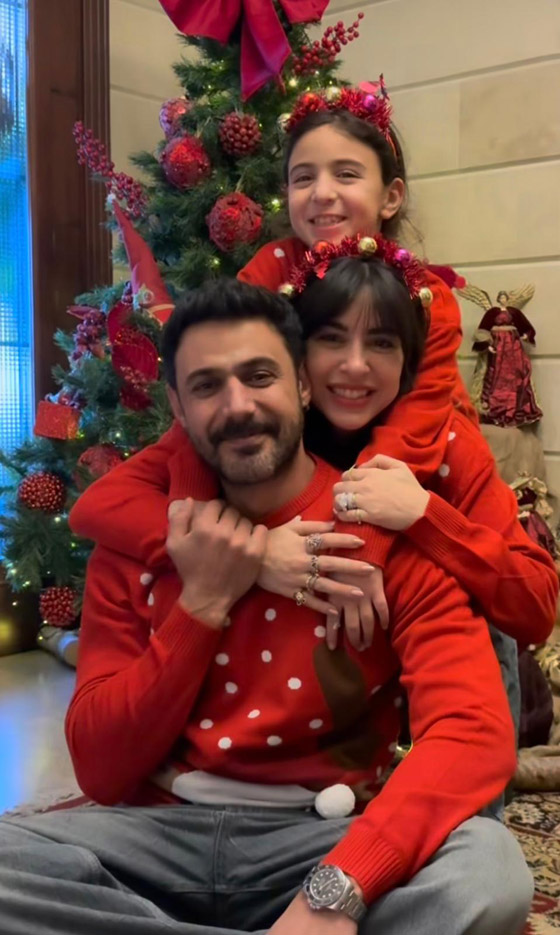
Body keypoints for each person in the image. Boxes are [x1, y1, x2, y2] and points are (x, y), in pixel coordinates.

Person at [0, 278, 532, 935]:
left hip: (323, 836)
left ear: (303, 385)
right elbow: (103, 771)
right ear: (178, 407)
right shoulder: (140, 544)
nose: (238, 406)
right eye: (207, 386)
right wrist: (203, 602)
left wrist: (337, 893)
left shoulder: (379, 532)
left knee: (489, 869)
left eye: (259, 376)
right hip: (155, 834)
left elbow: (472, 732)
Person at [69, 81, 476, 589]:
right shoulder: (272, 269)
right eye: (303, 177)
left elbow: (410, 438)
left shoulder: (425, 296)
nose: (322, 193)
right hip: (289, 465)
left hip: (392, 481)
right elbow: (211, 390)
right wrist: (233, 549)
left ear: (391, 196)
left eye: (346, 174)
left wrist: (361, 546)